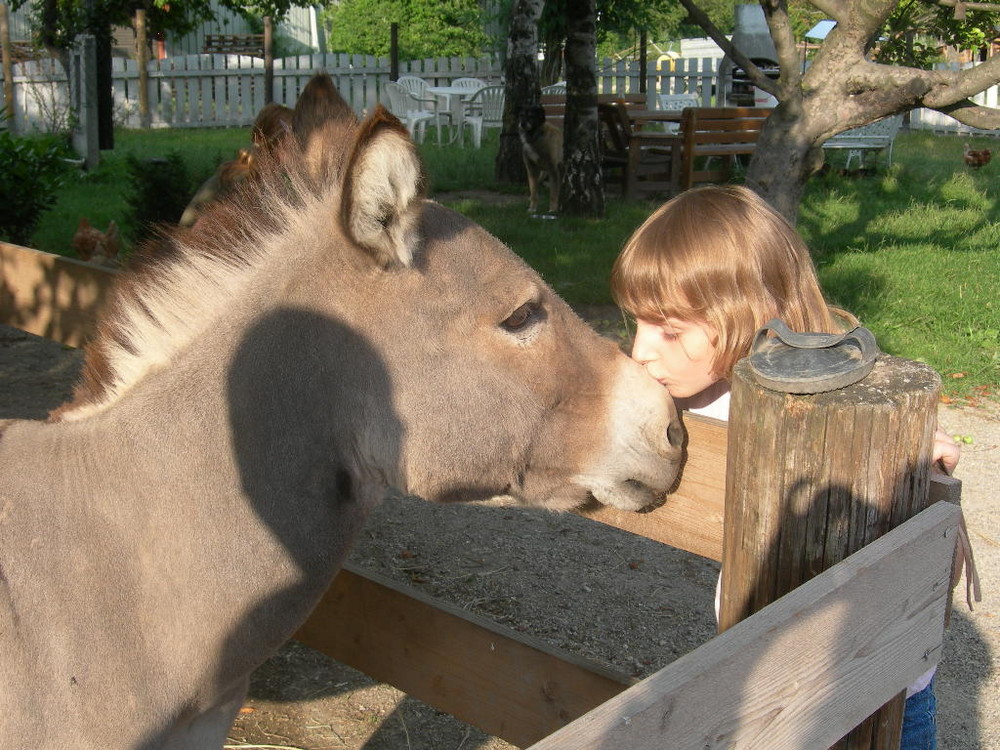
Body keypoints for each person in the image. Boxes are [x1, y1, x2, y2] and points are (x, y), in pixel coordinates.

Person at [610, 184, 959, 750]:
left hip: (880, 687)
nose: (641, 352)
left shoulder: (834, 387)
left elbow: (890, 420)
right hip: (769, 678)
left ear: (754, 317)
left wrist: (915, 448)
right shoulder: (693, 389)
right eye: (639, 324)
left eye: (669, 330)